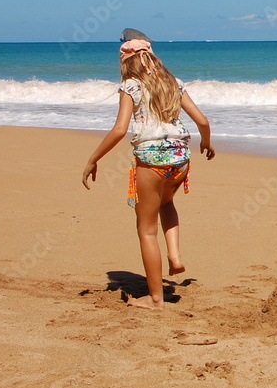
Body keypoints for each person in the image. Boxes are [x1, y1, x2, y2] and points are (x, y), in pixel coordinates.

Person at [82, 29, 214, 309]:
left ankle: (155, 299)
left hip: (151, 162)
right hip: (180, 159)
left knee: (146, 230)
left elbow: (120, 130)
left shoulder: (130, 86)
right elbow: (202, 120)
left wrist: (94, 158)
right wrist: (207, 143)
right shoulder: (174, 83)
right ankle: (175, 257)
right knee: (167, 203)